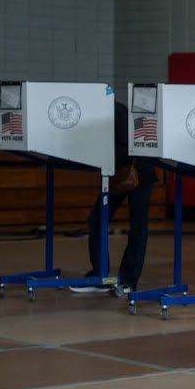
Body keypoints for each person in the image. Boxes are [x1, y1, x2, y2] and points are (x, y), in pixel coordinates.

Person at [71, 101, 157, 294]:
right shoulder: (105, 114)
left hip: (138, 173)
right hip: (119, 173)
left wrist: (97, 154)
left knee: (137, 226)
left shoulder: (117, 113)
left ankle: (128, 280)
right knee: (97, 219)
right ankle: (100, 275)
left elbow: (127, 148)